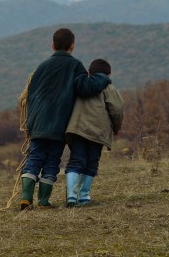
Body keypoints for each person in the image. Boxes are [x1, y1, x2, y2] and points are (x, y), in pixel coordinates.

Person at [20, 28, 111, 210]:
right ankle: (44, 201)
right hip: (58, 124)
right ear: (72, 46)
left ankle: (25, 198)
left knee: (35, 157)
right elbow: (85, 87)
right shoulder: (75, 65)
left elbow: (31, 95)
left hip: (37, 123)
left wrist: (30, 123)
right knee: (52, 160)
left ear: (52, 45)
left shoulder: (42, 66)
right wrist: (102, 77)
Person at [64, 58, 124, 207]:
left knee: (76, 160)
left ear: (89, 72)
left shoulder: (79, 85)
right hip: (98, 131)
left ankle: (71, 195)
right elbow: (117, 110)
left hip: (78, 129)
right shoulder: (109, 89)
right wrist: (116, 127)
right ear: (108, 75)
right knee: (92, 162)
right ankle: (84, 196)